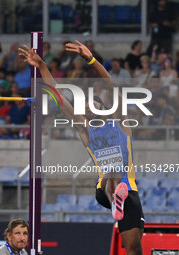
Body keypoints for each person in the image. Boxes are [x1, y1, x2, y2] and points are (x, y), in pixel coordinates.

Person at [19, 41, 145, 255]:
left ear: (105, 108)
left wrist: (91, 59)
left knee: (133, 248)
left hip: (130, 190)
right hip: (104, 188)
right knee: (112, 172)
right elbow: (58, 98)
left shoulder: (121, 123)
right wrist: (42, 67)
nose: (87, 109)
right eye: (85, 108)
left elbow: (111, 86)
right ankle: (115, 197)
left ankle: (119, 201)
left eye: (92, 105)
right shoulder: (85, 129)